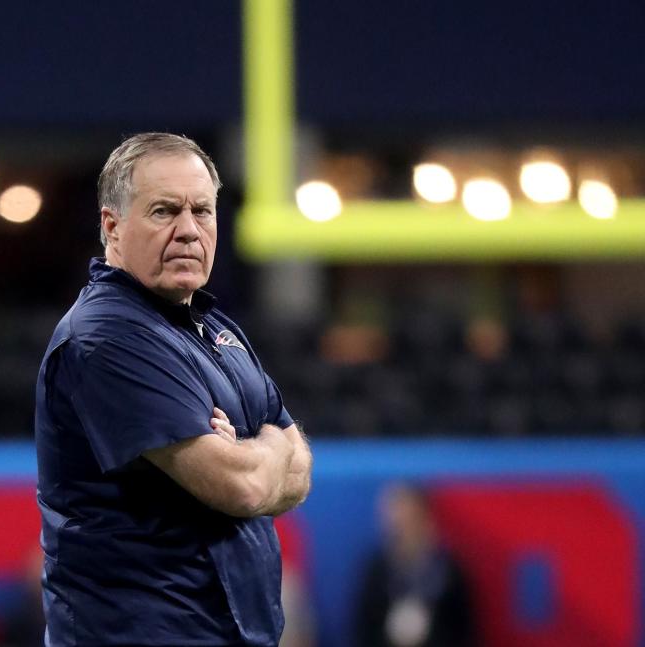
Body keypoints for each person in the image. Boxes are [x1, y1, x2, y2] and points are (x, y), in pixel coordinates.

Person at [35, 132, 312, 646]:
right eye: (165, 211)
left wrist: (255, 450)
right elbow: (245, 487)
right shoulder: (106, 336)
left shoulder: (215, 328)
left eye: (202, 212)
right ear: (111, 226)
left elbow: (300, 470)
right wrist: (267, 444)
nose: (189, 231)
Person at [354, 483, 476, 647]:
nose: (400, 530)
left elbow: (463, 631)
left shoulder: (449, 574)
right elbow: (363, 628)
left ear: (425, 520)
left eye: (408, 521)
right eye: (394, 523)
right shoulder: (376, 572)